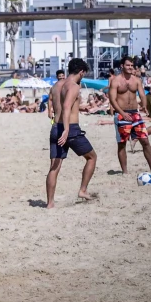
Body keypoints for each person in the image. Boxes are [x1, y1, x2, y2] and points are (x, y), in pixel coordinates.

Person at [46, 59, 98, 208]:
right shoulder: (73, 86)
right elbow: (67, 106)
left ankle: (50, 203)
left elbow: (59, 105)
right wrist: (67, 129)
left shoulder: (57, 86)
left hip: (56, 127)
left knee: (54, 167)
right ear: (81, 72)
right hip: (70, 129)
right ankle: (82, 190)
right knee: (92, 157)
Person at [108, 56, 151, 173]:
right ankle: (125, 171)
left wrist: (144, 105)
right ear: (122, 66)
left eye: (131, 65)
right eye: (128, 65)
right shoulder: (116, 81)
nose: (130, 67)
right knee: (122, 143)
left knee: (145, 140)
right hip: (121, 114)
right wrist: (122, 113)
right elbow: (112, 99)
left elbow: (142, 95)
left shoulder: (136, 80)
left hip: (135, 113)